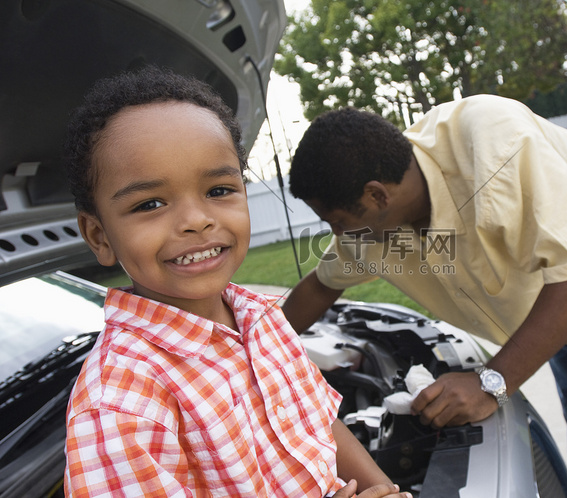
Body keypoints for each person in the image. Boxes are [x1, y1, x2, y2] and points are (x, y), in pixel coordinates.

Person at [281, 96, 567, 498]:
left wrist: (492, 382)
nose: (339, 236)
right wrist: (257, 349)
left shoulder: (492, 147)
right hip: (553, 301)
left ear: (377, 195)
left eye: (339, 222)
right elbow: (322, 285)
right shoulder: (376, 229)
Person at [63, 66, 411, 498]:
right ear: (99, 236)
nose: (196, 221)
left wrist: (385, 489)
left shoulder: (261, 316)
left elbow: (320, 425)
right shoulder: (118, 406)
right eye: (150, 203)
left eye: (218, 190)